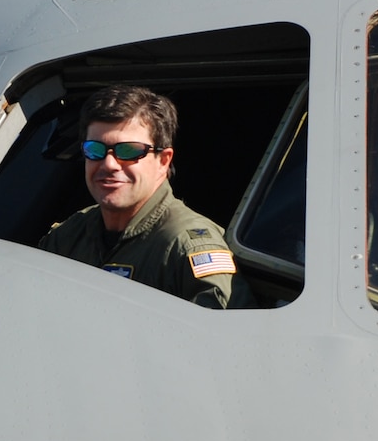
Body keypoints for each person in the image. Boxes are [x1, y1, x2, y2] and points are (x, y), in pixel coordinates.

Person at [39, 85, 242, 308]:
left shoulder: (187, 246)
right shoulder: (68, 236)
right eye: (95, 149)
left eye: (128, 151)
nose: (109, 164)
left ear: (163, 161)